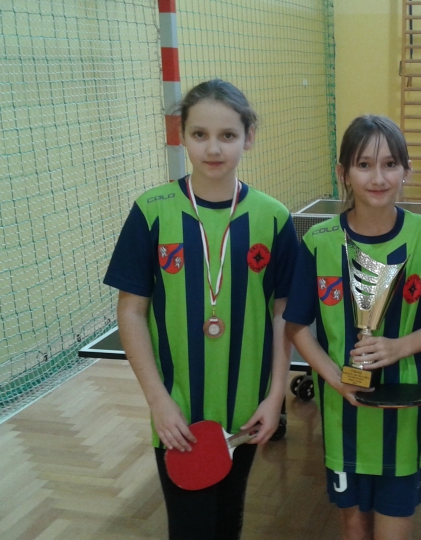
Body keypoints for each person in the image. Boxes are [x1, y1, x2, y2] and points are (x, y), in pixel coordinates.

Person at [103, 79, 297, 540]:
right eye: (200, 134)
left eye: (227, 135)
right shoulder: (150, 211)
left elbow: (283, 314)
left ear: (249, 137)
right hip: (177, 409)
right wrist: (158, 400)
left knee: (228, 521)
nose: (213, 148)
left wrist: (275, 397)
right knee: (189, 527)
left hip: (246, 408)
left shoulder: (274, 217)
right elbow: (131, 312)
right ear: (182, 136)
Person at [284, 115, 421, 540]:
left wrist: (400, 347)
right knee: (353, 524)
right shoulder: (318, 242)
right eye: (364, 165)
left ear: (406, 171)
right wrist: (335, 379)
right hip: (341, 412)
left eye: (389, 164)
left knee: (393, 528)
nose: (378, 177)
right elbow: (296, 326)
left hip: (405, 413)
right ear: (343, 172)